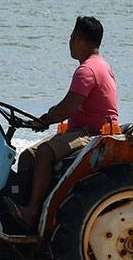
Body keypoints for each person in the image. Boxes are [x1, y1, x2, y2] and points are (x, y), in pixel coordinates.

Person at [9, 16, 119, 231]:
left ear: (79, 39)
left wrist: (45, 119)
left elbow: (67, 107)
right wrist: (43, 120)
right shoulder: (101, 66)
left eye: (71, 37)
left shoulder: (88, 70)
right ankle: (23, 212)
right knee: (27, 157)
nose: (69, 41)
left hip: (92, 133)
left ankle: (32, 212)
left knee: (44, 153)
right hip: (80, 129)